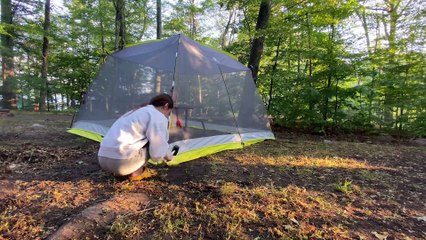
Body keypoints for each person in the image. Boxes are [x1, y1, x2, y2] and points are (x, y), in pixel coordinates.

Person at [98, 93, 174, 180]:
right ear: (166, 106)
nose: (167, 116)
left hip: (102, 158)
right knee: (152, 141)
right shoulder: (157, 115)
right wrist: (167, 155)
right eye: (168, 113)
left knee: (141, 139)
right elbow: (158, 149)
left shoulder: (135, 111)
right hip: (122, 163)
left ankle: (119, 173)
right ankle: (135, 173)